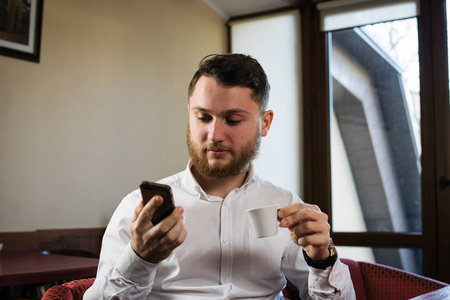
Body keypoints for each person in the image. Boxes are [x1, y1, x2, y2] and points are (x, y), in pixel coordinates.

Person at [84, 54, 355, 300]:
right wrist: (140, 258)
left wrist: (322, 260)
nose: (214, 135)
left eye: (233, 120)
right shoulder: (139, 209)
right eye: (203, 117)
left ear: (265, 123)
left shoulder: (284, 204)